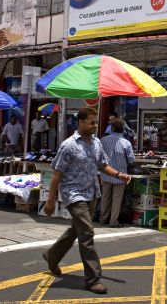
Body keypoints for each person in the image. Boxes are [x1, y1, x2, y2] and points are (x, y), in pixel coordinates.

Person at [43, 106, 131, 294]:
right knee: (87, 234)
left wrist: (118, 174)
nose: (94, 125)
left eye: (95, 122)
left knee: (78, 229)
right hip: (74, 195)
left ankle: (52, 255)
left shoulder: (96, 143)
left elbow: (103, 165)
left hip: (92, 193)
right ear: (80, 122)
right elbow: (56, 176)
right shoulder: (69, 145)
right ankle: (93, 278)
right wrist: (50, 200)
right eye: (91, 122)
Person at [99, 118, 134, 227]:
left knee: (105, 197)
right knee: (116, 200)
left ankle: (103, 219)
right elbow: (131, 160)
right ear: (122, 129)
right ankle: (113, 222)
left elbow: (98, 157)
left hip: (105, 174)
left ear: (112, 128)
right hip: (120, 176)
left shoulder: (103, 140)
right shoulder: (126, 142)